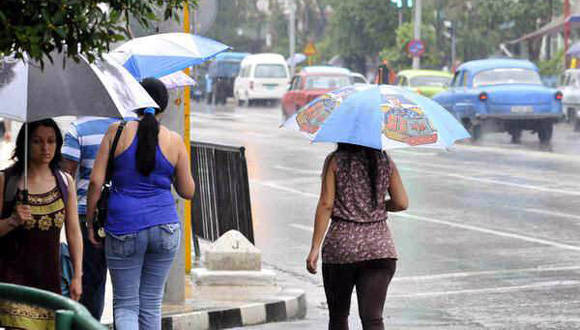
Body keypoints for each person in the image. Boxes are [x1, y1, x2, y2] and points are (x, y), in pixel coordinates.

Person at [86, 77, 195, 330]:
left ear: (133, 101)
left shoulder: (117, 132)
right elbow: (187, 190)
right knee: (151, 303)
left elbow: (95, 182)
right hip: (165, 227)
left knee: (126, 304)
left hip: (123, 226)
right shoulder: (174, 140)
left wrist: (91, 222)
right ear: (164, 107)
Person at [306, 142, 408, 330]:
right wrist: (377, 206)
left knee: (338, 317)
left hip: (342, 249)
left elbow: (326, 204)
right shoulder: (385, 161)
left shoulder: (335, 161)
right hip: (379, 250)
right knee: (373, 318)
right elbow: (401, 202)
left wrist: (314, 248)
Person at [0, 119, 83, 328]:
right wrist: (13, 220)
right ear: (26, 144)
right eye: (37, 141)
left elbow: (73, 232)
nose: (46, 148)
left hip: (50, 283)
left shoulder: (65, 182)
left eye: (51, 141)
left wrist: (77, 276)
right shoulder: (7, 180)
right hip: (14, 284)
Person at [61, 113, 136, 320]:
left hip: (88, 215)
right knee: (127, 289)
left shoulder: (78, 129)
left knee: (92, 281)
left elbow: (65, 178)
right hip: (126, 214)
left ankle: (90, 323)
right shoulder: (132, 126)